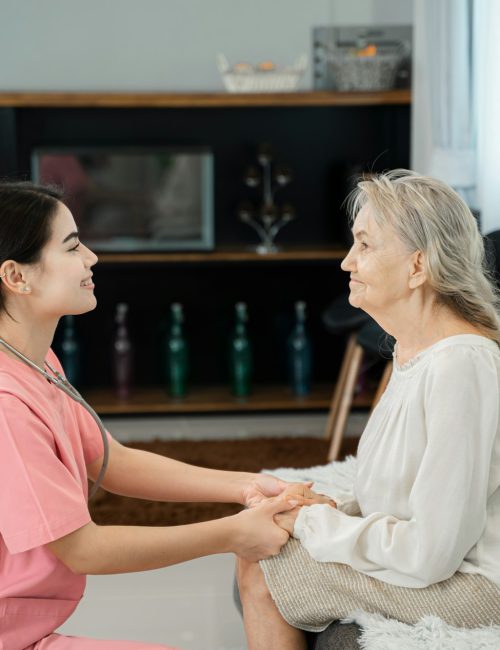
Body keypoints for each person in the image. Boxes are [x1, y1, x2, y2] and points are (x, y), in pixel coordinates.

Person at [0, 182, 333, 650]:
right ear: (17, 277)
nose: (92, 258)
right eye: (73, 246)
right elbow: (81, 548)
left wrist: (246, 484)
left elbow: (110, 460)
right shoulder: (6, 405)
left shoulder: (35, 360)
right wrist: (233, 534)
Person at [237, 169, 500, 649]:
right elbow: (398, 500)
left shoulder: (461, 365)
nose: (346, 263)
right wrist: (325, 510)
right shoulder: (414, 353)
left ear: (418, 267)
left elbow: (432, 552)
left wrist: (316, 524)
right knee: (264, 541)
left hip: (478, 585)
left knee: (262, 567)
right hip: (443, 568)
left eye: (365, 245)